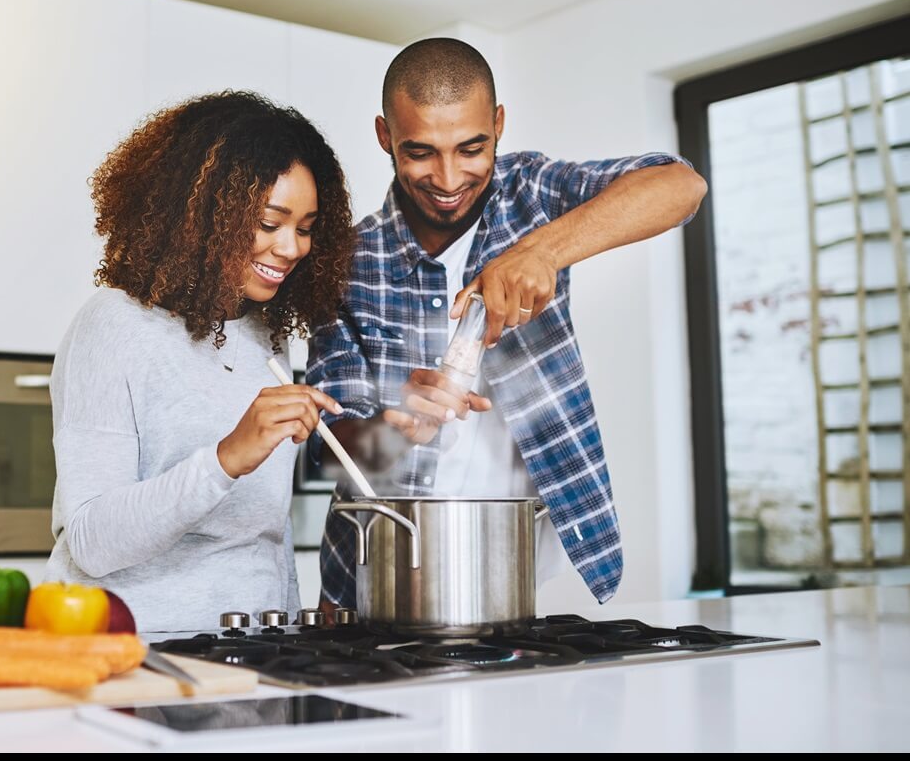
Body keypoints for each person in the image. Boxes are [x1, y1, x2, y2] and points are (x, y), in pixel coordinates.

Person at [311, 39, 708, 615]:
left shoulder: (533, 194)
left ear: (498, 125)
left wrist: (542, 251)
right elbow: (329, 457)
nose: (448, 178)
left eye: (471, 148)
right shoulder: (347, 262)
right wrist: (395, 428)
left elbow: (680, 187)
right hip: (378, 577)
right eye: (419, 152)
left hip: (509, 564)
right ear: (384, 136)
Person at [44, 90, 358, 632]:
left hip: (255, 657)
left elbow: (264, 536)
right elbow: (92, 540)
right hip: (135, 654)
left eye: (305, 228)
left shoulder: (266, 334)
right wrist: (228, 457)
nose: (291, 248)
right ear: (203, 215)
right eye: (269, 222)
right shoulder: (113, 326)